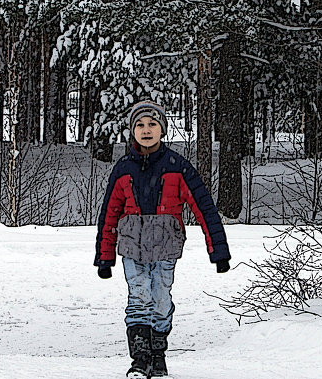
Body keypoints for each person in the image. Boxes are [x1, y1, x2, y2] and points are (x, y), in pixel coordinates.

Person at [94, 100, 231, 378]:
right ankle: (139, 358)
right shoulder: (123, 169)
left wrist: (218, 251)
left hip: (166, 246)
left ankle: (158, 353)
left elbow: (204, 208)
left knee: (160, 298)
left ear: (162, 129)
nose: (146, 130)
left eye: (152, 124)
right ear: (132, 131)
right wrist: (104, 256)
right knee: (138, 297)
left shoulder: (177, 166)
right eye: (140, 125)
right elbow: (109, 214)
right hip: (132, 246)